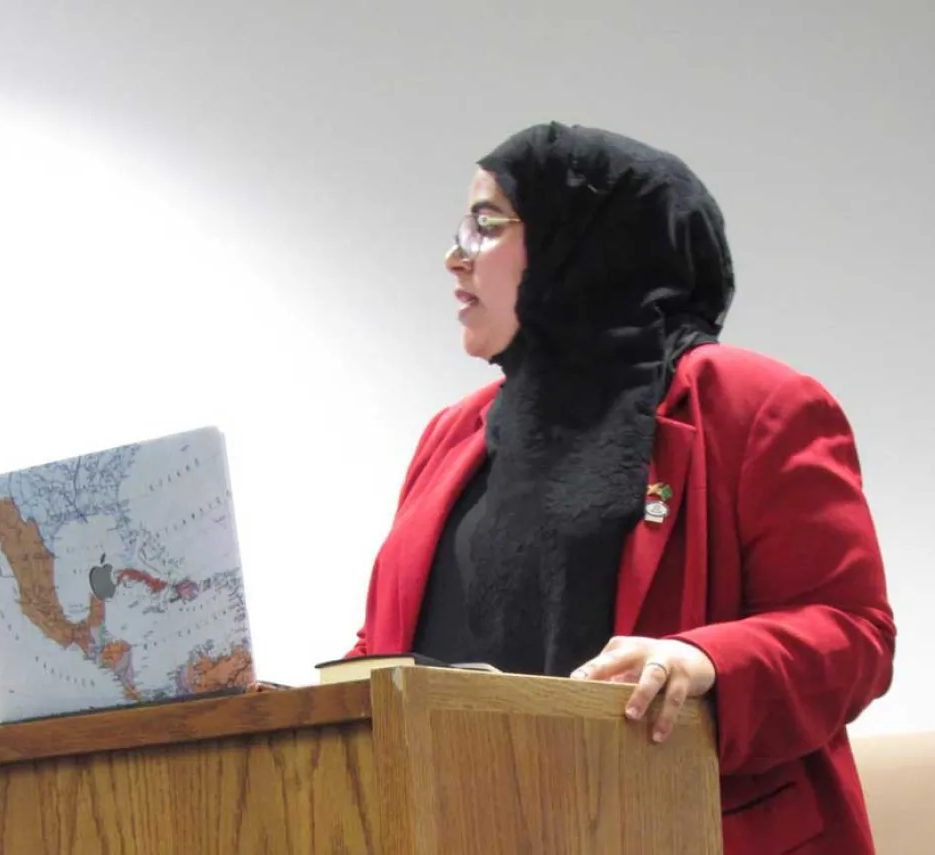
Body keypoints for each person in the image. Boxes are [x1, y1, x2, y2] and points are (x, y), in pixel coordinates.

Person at [346, 121, 895, 855]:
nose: (454, 256)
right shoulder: (452, 435)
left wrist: (705, 662)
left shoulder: (755, 403)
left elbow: (852, 630)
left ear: (584, 240)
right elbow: (391, 645)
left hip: (686, 828)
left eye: (486, 223)